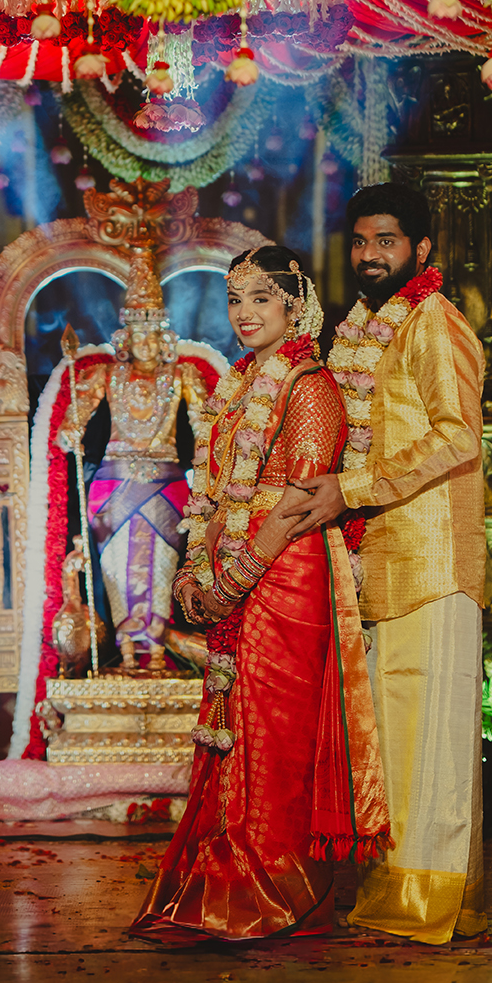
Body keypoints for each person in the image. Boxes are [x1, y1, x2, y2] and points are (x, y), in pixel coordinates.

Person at [130, 245, 389, 944]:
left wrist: (233, 581)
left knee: (272, 733)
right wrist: (193, 573)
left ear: (294, 303)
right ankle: (223, 876)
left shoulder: (310, 386)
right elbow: (211, 496)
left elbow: (301, 501)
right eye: (235, 300)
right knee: (234, 731)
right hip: (234, 572)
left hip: (289, 576)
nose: (245, 314)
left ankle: (275, 885)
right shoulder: (237, 386)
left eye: (260, 299)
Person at [288, 182, 487, 945]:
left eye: (388, 242)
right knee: (393, 737)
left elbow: (456, 438)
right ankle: (402, 888)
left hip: (434, 557)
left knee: (430, 733)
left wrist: (354, 488)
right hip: (378, 558)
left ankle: (424, 898)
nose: (370, 256)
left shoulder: (435, 324)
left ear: (422, 251)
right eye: (361, 242)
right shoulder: (360, 330)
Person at [58, 242, 212, 676]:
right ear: (125, 335)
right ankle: (128, 656)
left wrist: (206, 461)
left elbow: (205, 429)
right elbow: (72, 425)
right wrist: (71, 432)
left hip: (167, 483)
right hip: (113, 484)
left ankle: (159, 655)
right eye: (137, 331)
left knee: (160, 568)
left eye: (152, 330)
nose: (144, 340)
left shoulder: (184, 375)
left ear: (163, 333)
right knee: (118, 572)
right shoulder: (103, 375)